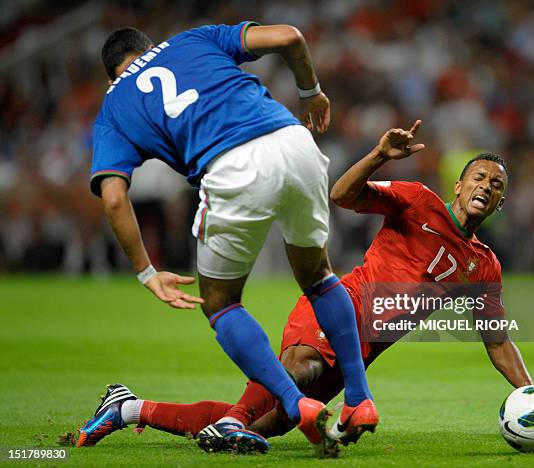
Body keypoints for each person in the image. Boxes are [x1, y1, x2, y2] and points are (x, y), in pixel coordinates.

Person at [76, 124, 534, 453]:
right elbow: (342, 195)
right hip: (334, 311)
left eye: (496, 186)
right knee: (300, 369)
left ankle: (127, 408)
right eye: (478, 177)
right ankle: (229, 423)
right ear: (458, 185)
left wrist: (532, 393)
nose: (485, 187)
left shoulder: (484, 265)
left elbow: (497, 341)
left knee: (264, 425)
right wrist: (380, 155)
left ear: (501, 203)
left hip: (359, 355)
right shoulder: (418, 201)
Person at [78, 21, 376, 457]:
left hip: (233, 165)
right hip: (295, 141)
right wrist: (310, 91)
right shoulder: (191, 40)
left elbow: (114, 198)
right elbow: (290, 37)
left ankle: (297, 405)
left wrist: (146, 271)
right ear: (152, 45)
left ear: (111, 76)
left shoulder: (113, 106)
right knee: (319, 276)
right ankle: (360, 399)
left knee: (220, 302)